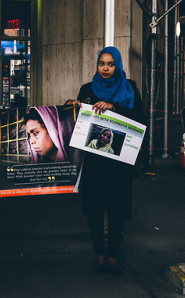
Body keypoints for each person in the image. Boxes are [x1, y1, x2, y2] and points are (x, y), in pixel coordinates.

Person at [66, 46, 145, 276]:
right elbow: (77, 122)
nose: (106, 68)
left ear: (117, 65)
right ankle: (100, 254)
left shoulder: (129, 88)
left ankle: (113, 255)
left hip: (119, 163)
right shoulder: (88, 89)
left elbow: (140, 119)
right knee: (94, 209)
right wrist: (74, 107)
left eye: (110, 64)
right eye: (102, 63)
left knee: (117, 208)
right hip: (94, 161)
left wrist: (114, 107)